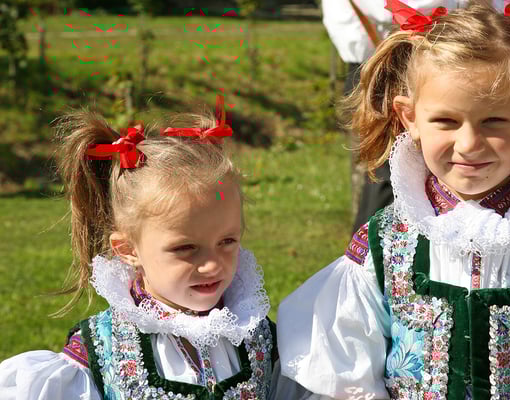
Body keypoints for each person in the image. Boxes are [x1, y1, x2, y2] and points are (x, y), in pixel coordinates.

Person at [278, 1, 510, 399]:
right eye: (447, 121)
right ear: (410, 118)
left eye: (494, 122)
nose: (469, 144)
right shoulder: (383, 246)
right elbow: (343, 374)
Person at [0, 101, 305, 399]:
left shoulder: (257, 335)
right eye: (186, 248)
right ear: (127, 249)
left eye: (227, 242)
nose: (212, 265)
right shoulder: (101, 354)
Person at [322, 0, 464, 234]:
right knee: (390, 171)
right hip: (393, 62)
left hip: (412, 58)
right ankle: (372, 247)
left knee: (388, 174)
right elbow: (401, 7)